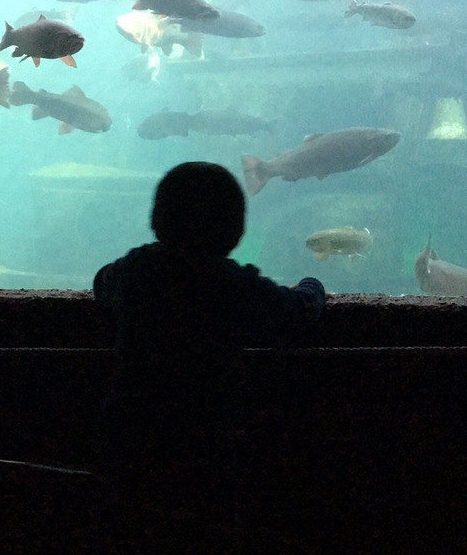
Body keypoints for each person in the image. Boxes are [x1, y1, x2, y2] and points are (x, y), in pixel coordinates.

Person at [93, 161, 326, 555]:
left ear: (156, 220)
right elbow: (296, 313)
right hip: (209, 439)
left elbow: (102, 284)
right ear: (236, 231)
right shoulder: (233, 286)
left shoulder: (137, 272)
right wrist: (312, 285)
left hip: (129, 436)